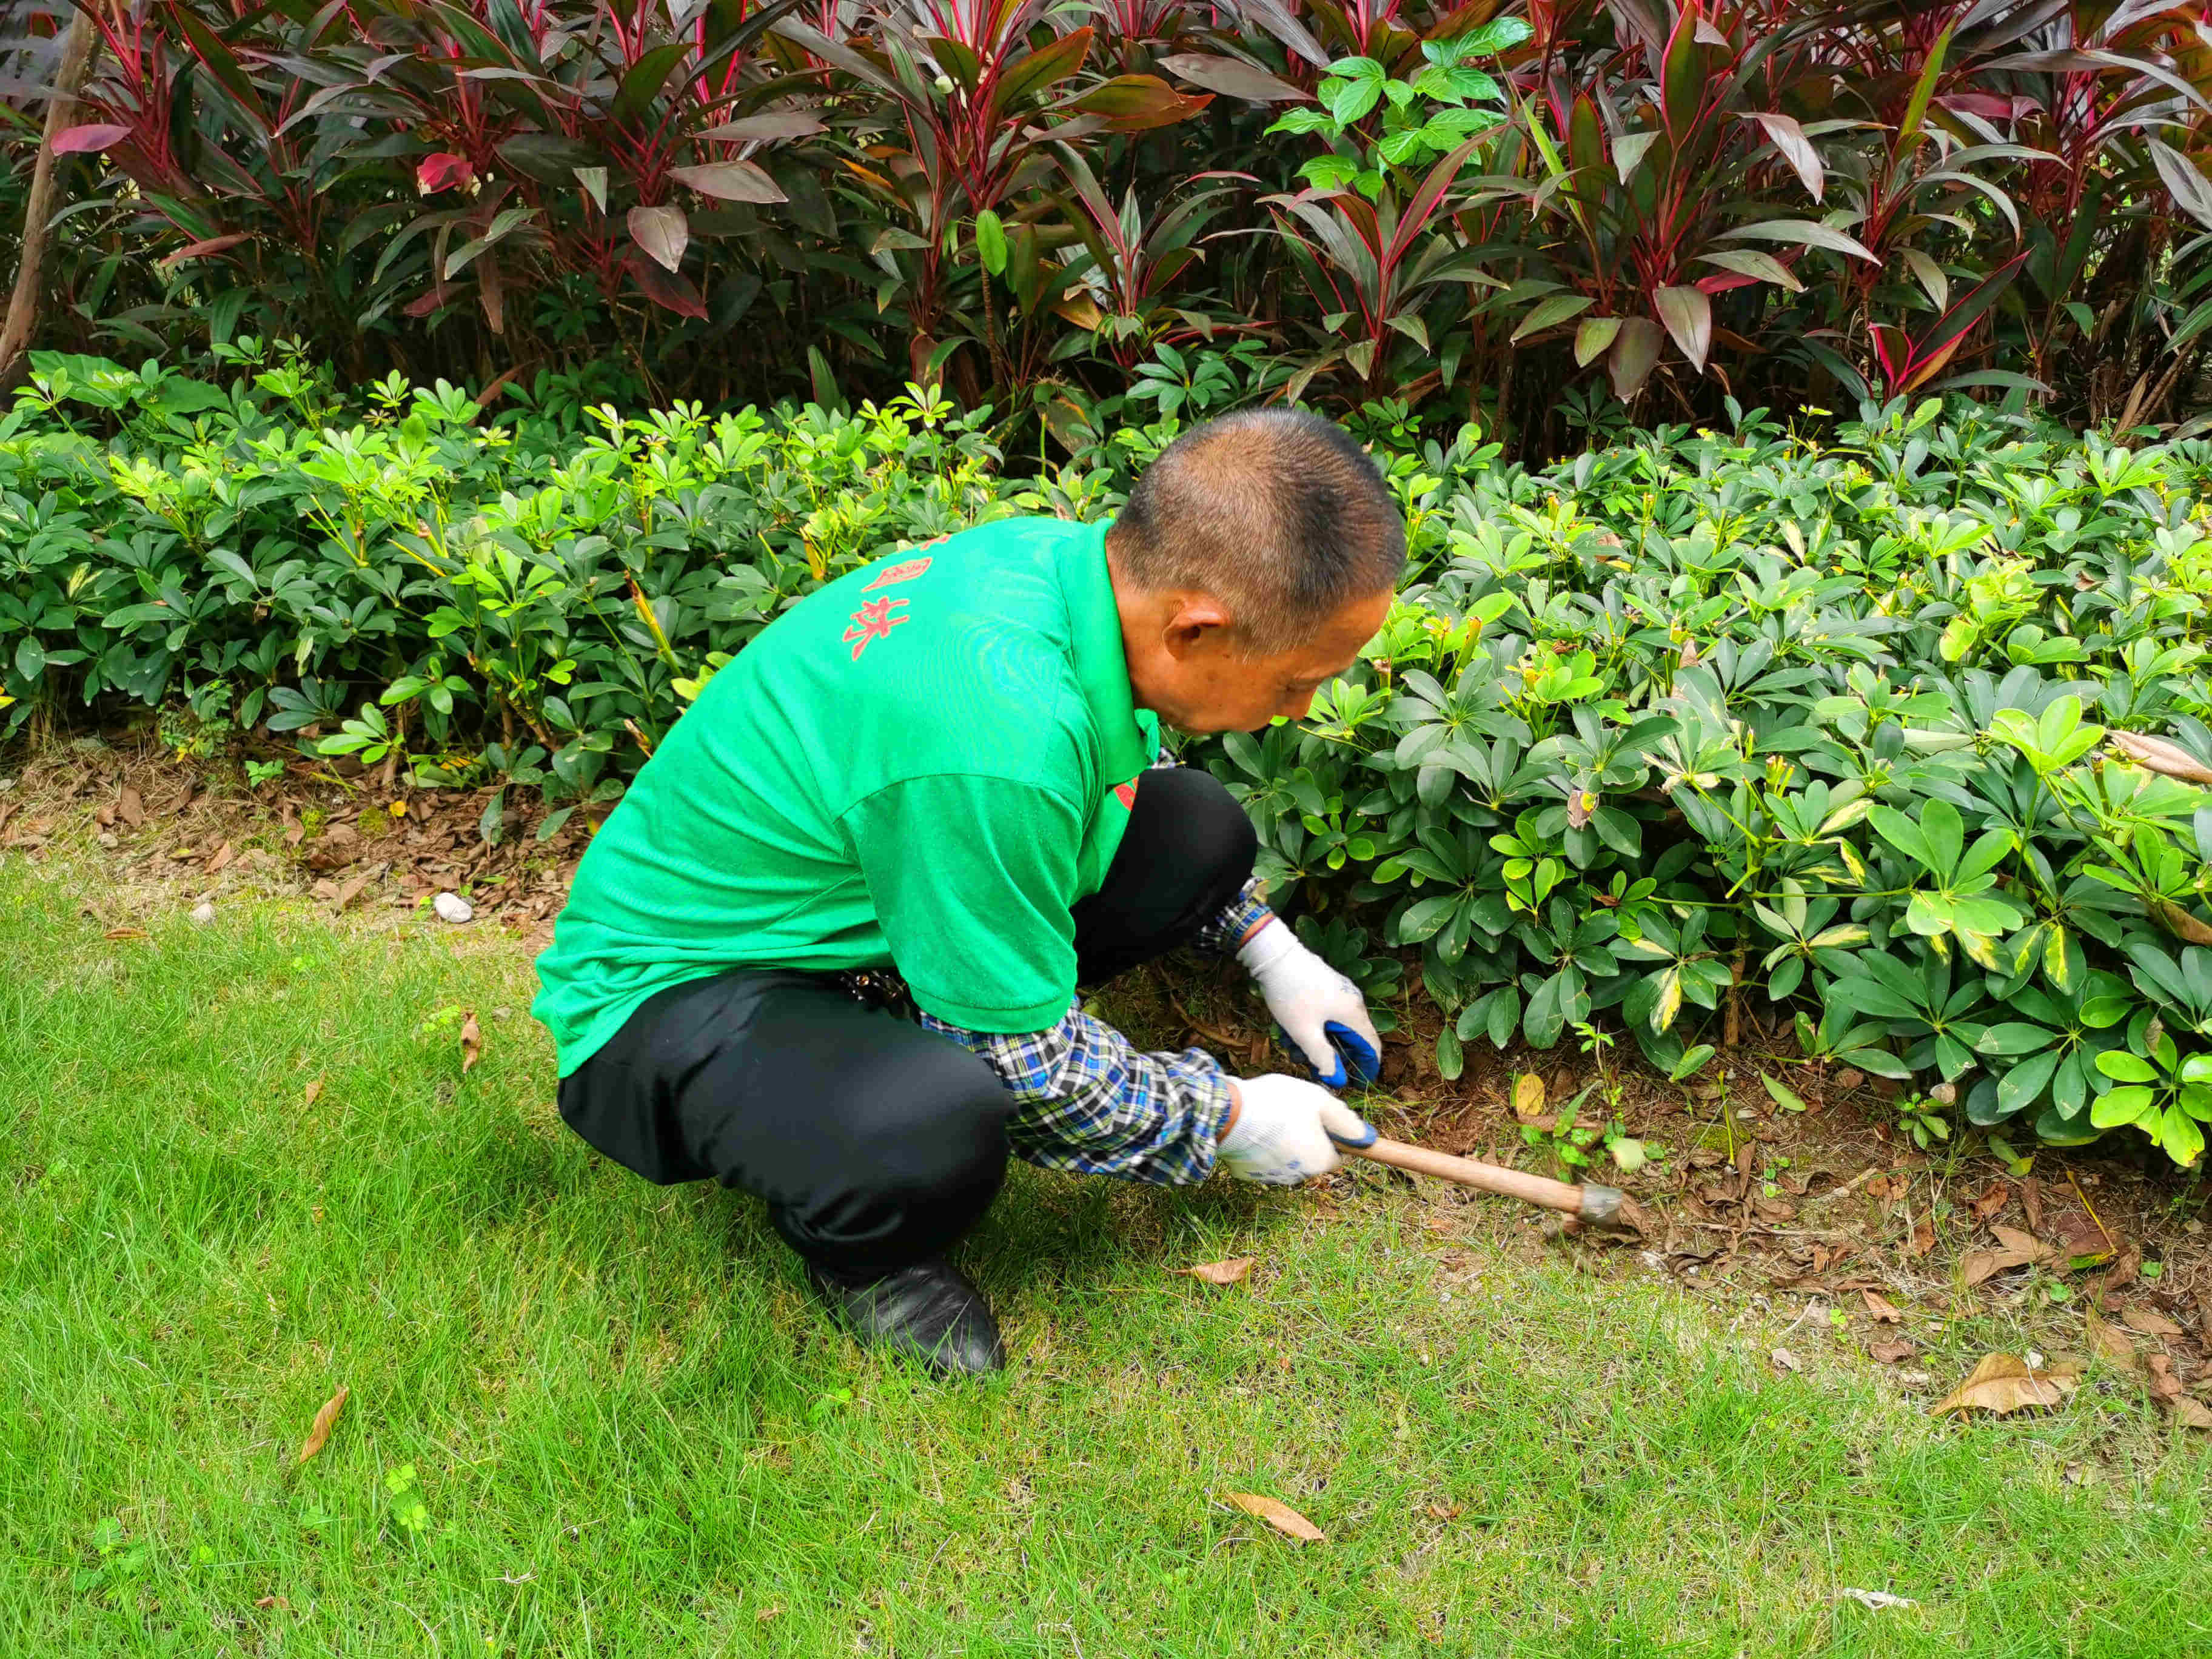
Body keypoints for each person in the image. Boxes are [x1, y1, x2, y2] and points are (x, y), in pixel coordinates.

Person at [532, 407, 1406, 1376]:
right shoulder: (997, 736)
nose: (1302, 710)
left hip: (866, 921)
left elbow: (1108, 780)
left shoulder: (1071, 570)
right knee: (939, 1117)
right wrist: (1225, 1120)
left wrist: (1269, 949)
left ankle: (901, 1024)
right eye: (1296, 682)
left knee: (1197, 830)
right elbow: (1030, 1073)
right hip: (672, 997)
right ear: (1196, 628)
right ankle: (863, 1249)